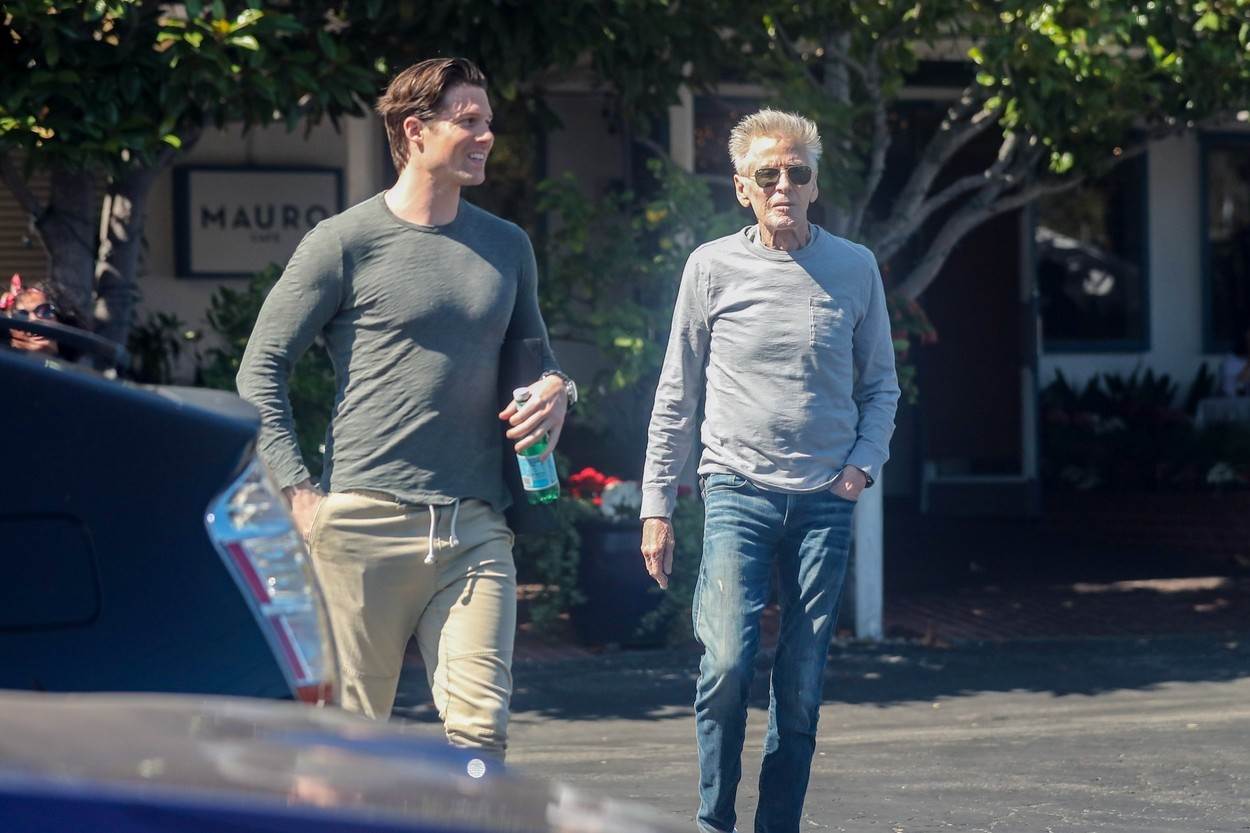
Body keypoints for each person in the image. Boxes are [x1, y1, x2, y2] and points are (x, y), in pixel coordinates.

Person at [237, 57, 574, 760]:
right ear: (416, 130)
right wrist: (300, 495)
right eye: (468, 121)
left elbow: (535, 362)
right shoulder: (344, 242)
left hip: (474, 526)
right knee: (348, 746)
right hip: (363, 525)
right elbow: (259, 370)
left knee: (481, 735)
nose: (487, 136)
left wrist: (558, 390)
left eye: (489, 121)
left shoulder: (507, 246)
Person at [639, 109, 900, 833]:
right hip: (736, 490)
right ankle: (713, 821)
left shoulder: (854, 267)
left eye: (797, 173)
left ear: (815, 185)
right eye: (768, 174)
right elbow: (677, 391)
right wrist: (657, 504)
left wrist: (860, 469)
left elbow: (881, 384)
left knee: (802, 684)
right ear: (742, 188)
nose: (783, 185)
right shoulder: (710, 267)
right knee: (726, 663)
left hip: (825, 499)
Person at [1, 274, 86, 360]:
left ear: (59, 318)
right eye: (21, 315)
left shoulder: (81, 365)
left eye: (44, 311)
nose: (34, 320)